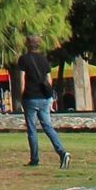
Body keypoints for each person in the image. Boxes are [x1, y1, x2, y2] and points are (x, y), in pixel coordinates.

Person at [13, 36, 67, 168]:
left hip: (30, 97)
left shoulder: (24, 59)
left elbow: (22, 79)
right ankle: (62, 152)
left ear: (27, 45)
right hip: (44, 97)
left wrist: (20, 95)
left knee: (32, 129)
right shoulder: (44, 60)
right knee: (48, 126)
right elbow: (49, 79)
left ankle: (35, 159)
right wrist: (49, 96)